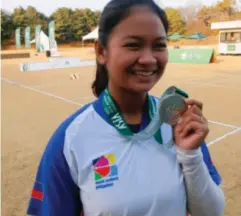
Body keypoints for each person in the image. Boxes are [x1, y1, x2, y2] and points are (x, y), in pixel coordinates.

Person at [27, 0, 225, 215]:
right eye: (133, 45)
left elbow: (211, 212)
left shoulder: (178, 121)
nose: (149, 59)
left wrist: (190, 155)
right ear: (102, 52)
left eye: (159, 45)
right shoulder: (70, 138)